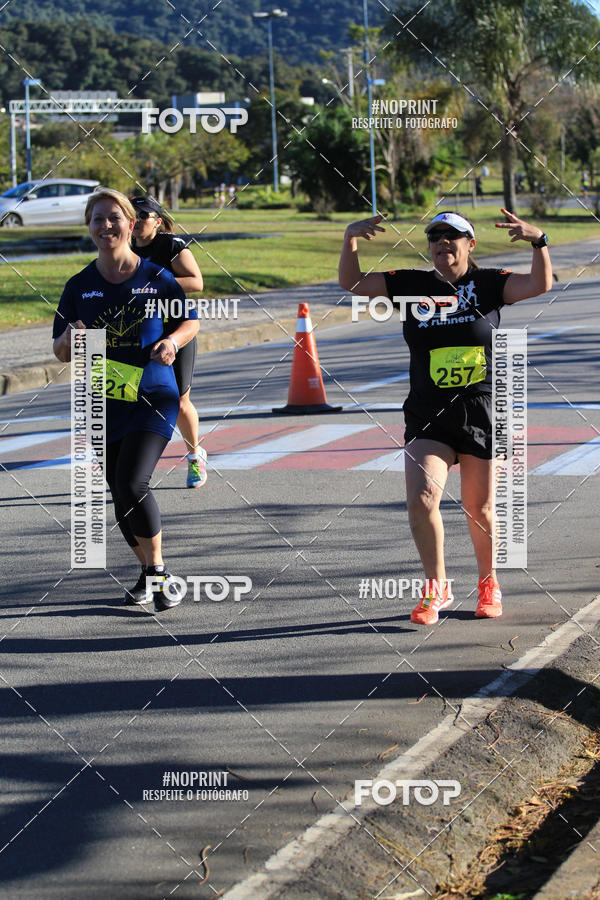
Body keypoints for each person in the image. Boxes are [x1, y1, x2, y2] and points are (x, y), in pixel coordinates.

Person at [339, 208, 552, 625]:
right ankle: (436, 587)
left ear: (470, 244)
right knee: (421, 500)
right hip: (428, 413)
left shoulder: (488, 283)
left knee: (480, 509)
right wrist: (350, 238)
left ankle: (488, 582)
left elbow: (539, 284)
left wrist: (538, 241)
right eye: (435, 237)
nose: (441, 243)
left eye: (451, 236)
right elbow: (353, 282)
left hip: (481, 411)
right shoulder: (411, 285)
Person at [53, 188, 200, 610]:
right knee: (119, 490)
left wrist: (172, 341)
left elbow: (189, 321)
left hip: (153, 392)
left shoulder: (156, 277)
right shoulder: (79, 286)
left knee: (134, 481)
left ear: (130, 225)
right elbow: (60, 351)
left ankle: (158, 573)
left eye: (114, 217)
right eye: (97, 219)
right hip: (106, 395)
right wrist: (70, 338)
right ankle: (149, 572)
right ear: (89, 227)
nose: (106, 226)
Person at [130, 194, 207, 489]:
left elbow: (196, 281)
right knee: (132, 397)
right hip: (139, 332)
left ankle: (194, 456)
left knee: (180, 400)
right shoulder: (123, 246)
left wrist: (151, 286)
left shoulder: (171, 246)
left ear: (158, 221)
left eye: (143, 216)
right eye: (132, 215)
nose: (136, 221)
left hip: (176, 330)